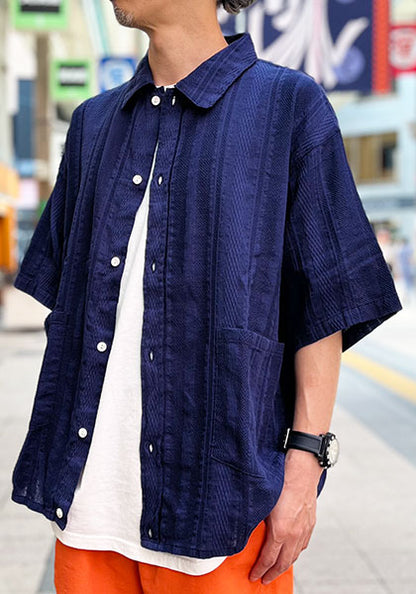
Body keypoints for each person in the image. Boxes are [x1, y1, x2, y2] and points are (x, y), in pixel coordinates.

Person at [11, 0, 402, 592]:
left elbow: (325, 303)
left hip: (222, 512)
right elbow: (68, 302)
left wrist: (304, 467)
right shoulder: (93, 125)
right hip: (88, 514)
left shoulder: (287, 107)